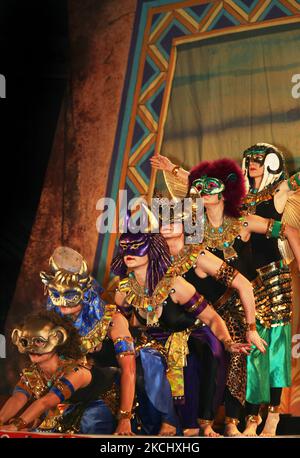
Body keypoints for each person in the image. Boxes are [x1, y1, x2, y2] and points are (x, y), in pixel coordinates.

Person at [111, 224, 252, 436]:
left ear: (152, 248)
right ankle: (154, 420)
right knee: (142, 361)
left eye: (137, 246)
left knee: (199, 352)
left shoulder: (174, 285)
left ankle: (198, 423)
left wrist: (227, 341)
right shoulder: (123, 291)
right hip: (152, 342)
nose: (129, 253)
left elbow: (211, 317)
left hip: (190, 334)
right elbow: (122, 325)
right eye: (125, 247)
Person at [158, 200, 266, 436]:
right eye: (163, 219)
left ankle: (232, 421)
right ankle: (175, 420)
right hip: (186, 319)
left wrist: (251, 327)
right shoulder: (157, 259)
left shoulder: (199, 256)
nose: (167, 225)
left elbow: (244, 286)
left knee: (235, 348)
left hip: (228, 310)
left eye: (173, 220)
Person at [40, 247, 136, 435]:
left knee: (89, 426)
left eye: (70, 294)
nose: (62, 302)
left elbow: (129, 369)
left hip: (104, 398)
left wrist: (125, 418)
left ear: (85, 291)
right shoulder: (50, 323)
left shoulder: (113, 321)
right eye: (56, 293)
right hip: (64, 399)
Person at [242, 143, 300, 436]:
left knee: (275, 348)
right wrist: (175, 172)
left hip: (274, 276)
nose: (253, 163)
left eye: (259, 159)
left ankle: (274, 415)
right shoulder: (239, 197)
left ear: (272, 163)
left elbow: (297, 181)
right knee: (253, 348)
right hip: (245, 281)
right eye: (250, 159)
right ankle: (252, 417)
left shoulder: (278, 192)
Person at [0, 310, 134, 434]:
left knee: (89, 421)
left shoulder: (75, 371)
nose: (31, 348)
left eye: (39, 342)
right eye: (25, 341)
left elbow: (46, 402)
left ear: (57, 339)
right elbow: (18, 398)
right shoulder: (33, 373)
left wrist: (15, 426)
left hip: (100, 404)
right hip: (67, 407)